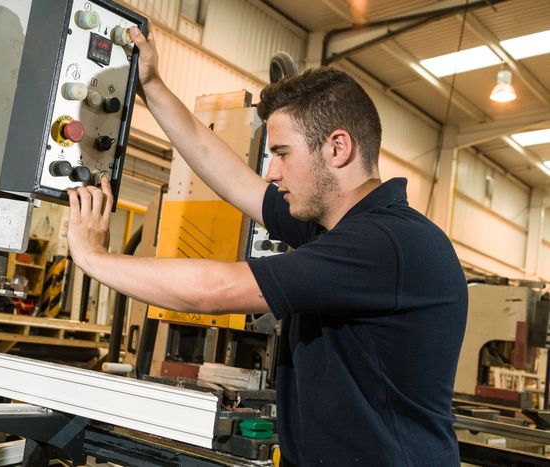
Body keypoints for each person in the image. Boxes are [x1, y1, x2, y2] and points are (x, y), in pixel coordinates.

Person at [66, 24, 467, 467]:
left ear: (337, 148)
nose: (272, 172)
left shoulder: (386, 244)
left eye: (282, 153)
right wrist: (153, 87)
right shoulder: (336, 229)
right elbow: (233, 179)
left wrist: (93, 257)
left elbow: (216, 290)